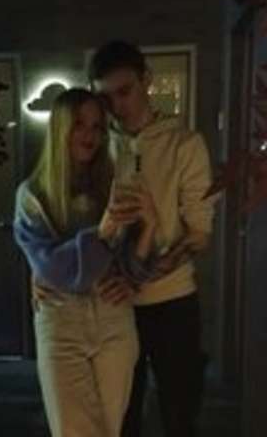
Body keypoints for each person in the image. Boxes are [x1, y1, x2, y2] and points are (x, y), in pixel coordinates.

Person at [13, 88, 158, 437]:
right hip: (61, 319)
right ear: (60, 128)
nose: (89, 135)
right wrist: (104, 231)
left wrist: (150, 228)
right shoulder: (33, 196)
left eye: (97, 126)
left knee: (109, 431)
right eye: (79, 124)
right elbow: (59, 272)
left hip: (114, 319)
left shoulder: (114, 186)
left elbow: (132, 268)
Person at [89, 40, 215, 437]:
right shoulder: (98, 147)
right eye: (106, 97)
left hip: (171, 302)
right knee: (120, 416)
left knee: (179, 414)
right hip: (113, 303)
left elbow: (198, 235)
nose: (117, 105)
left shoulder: (185, 144)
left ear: (147, 80)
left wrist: (138, 278)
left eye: (124, 91)